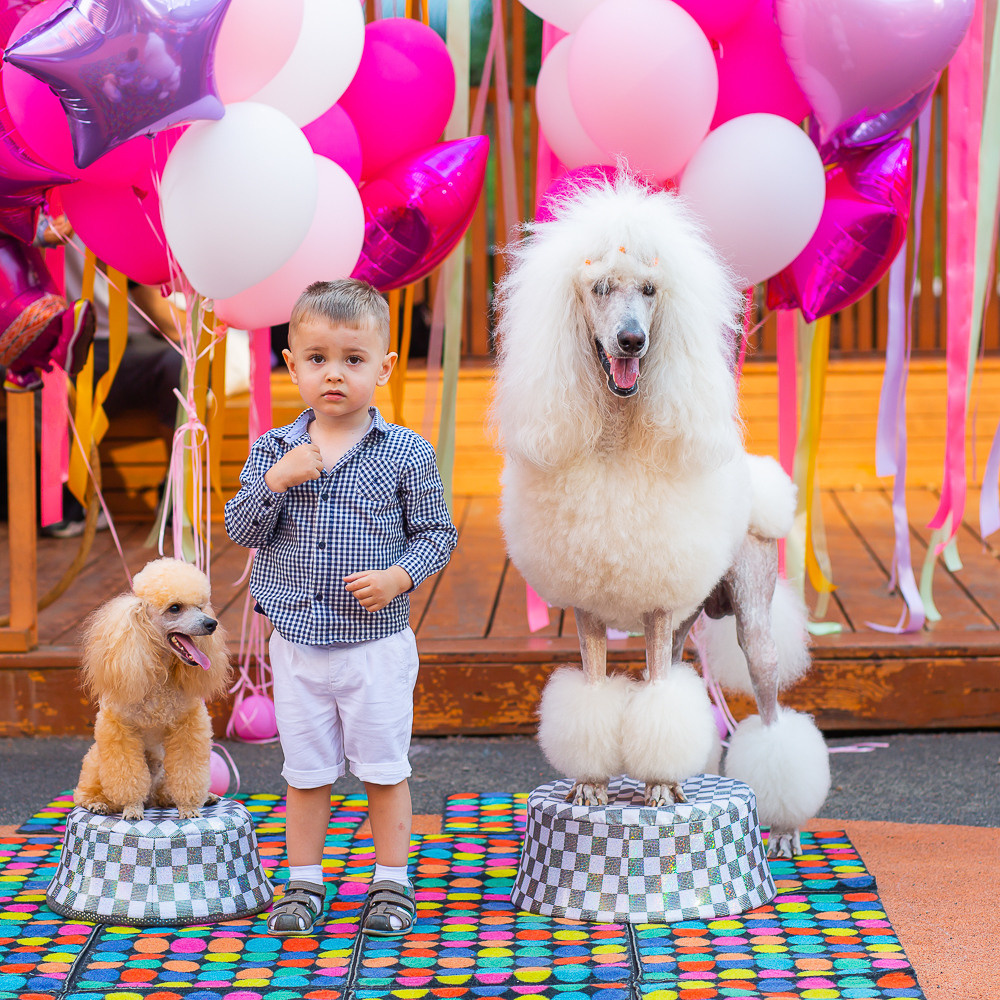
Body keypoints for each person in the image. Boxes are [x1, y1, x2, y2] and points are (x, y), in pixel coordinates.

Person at [224, 279, 457, 937]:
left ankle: (391, 881)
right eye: (317, 358)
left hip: (374, 645)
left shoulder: (405, 452)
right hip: (296, 644)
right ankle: (302, 882)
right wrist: (274, 485)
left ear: (383, 368)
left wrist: (397, 577)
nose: (334, 374)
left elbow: (437, 533)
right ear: (291, 363)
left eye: (353, 359)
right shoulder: (273, 451)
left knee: (384, 769)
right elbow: (242, 530)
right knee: (306, 772)